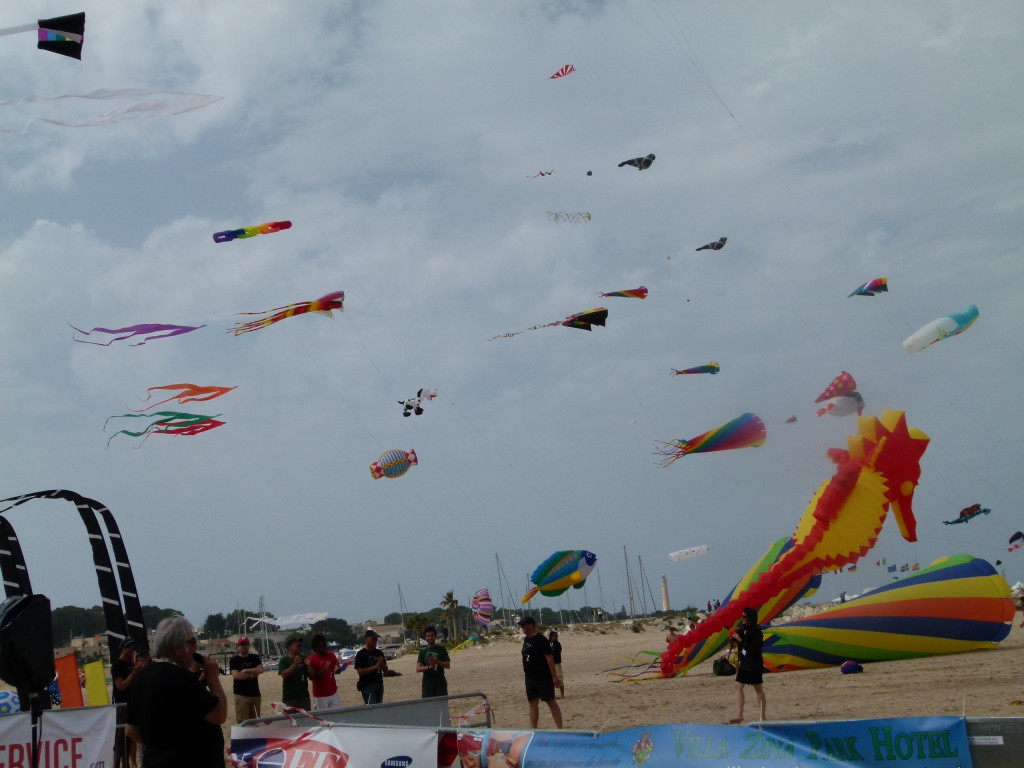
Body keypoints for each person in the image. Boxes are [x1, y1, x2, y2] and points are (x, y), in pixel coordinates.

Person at [124, 616, 227, 768]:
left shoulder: (141, 677)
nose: (196, 647)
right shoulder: (180, 678)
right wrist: (212, 678)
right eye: (192, 642)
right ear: (177, 648)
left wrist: (161, 747)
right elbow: (219, 715)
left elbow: (130, 729)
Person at [518, 616, 562, 728]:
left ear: (531, 625)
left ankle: (559, 727)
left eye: (524, 625)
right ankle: (533, 729)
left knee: (550, 701)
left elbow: (549, 658)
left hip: (543, 677)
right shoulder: (526, 639)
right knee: (532, 703)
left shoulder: (541, 640)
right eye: (521, 626)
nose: (522, 628)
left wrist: (554, 676)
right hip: (530, 677)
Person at [730, 606, 766, 724]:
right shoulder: (744, 628)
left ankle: (762, 716)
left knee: (758, 688)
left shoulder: (756, 631)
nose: (742, 618)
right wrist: (734, 636)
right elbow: (737, 636)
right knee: (739, 686)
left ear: (750, 617)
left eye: (744, 616)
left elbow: (753, 648)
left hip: (753, 663)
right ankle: (740, 714)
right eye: (742, 616)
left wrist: (740, 639)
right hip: (746, 663)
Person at [111, 637, 143, 768]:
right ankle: (117, 764)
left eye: (133, 648)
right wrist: (134, 673)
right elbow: (121, 686)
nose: (132, 650)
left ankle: (128, 764)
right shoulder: (117, 665)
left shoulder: (130, 664)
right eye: (130, 648)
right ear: (124, 649)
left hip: (131, 704)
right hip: (121, 705)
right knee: (120, 739)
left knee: (131, 738)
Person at [229, 636, 264, 722]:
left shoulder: (255, 657)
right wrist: (252, 675)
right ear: (238, 646)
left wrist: (246, 670)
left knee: (255, 722)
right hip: (241, 695)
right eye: (242, 645)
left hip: (255, 695)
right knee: (243, 722)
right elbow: (237, 676)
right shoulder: (234, 660)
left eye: (245, 644)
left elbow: (260, 669)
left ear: (249, 645)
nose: (244, 646)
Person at [307, 633, 342, 710]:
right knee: (323, 719)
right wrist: (323, 670)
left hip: (333, 692)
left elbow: (338, 670)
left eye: (325, 645)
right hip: (320, 695)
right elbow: (313, 677)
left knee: (338, 715)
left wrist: (338, 669)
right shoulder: (312, 659)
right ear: (316, 648)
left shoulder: (331, 655)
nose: (325, 647)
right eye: (322, 646)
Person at [415, 625, 451, 698]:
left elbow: (448, 665)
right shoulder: (423, 652)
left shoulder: (441, 649)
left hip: (440, 683)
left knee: (441, 706)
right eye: (428, 636)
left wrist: (437, 662)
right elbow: (418, 669)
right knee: (429, 707)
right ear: (425, 637)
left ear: (435, 636)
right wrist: (429, 667)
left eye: (432, 635)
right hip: (427, 684)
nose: (430, 638)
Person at [354, 629, 388, 705]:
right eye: (373, 639)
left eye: (376, 639)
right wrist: (375, 667)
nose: (375, 641)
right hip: (367, 685)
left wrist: (381, 664)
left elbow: (386, 670)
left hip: (379, 683)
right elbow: (360, 672)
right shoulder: (361, 654)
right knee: (371, 707)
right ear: (366, 639)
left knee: (379, 706)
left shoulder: (379, 652)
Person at [278, 635, 311, 710]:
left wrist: (309, 665)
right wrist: (295, 664)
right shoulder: (284, 660)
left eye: (300, 645)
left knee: (306, 719)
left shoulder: (304, 659)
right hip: (290, 698)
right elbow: (284, 675)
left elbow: (311, 676)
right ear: (289, 647)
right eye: (297, 644)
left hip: (304, 697)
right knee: (292, 719)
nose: (299, 646)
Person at [547, 630, 564, 698]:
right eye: (553, 636)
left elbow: (557, 652)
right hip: (549, 664)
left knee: (560, 678)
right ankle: (552, 695)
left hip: (556, 663)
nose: (554, 637)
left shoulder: (557, 644)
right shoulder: (548, 644)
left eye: (555, 636)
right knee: (550, 679)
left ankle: (562, 694)